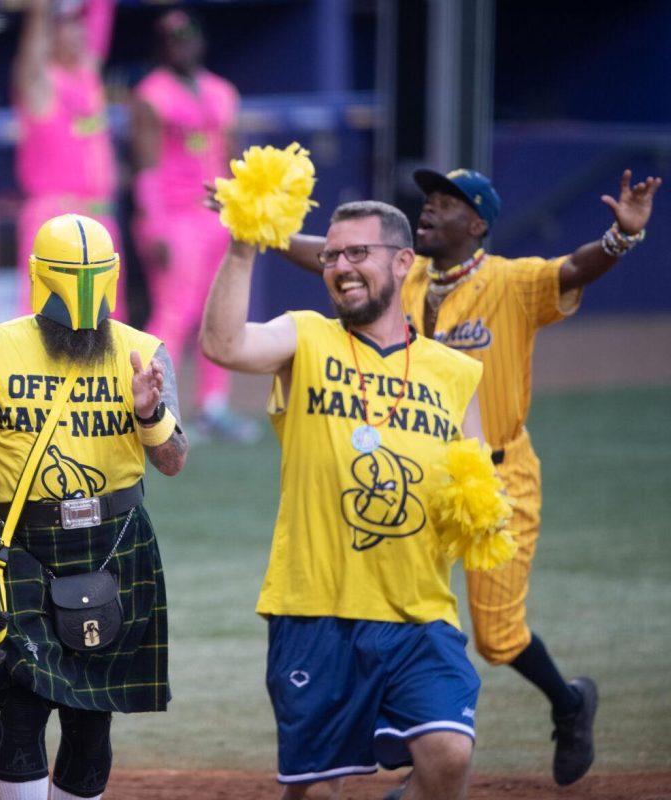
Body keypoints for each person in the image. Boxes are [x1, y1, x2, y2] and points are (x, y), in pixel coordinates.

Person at [273, 167, 661, 788]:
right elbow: (332, 256)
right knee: (401, 605)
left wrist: (621, 236)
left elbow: (573, 270)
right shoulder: (409, 274)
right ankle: (414, 737)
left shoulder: (512, 282)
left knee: (498, 637)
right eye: (427, 200)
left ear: (478, 224)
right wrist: (258, 228)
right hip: (414, 479)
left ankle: (569, 703)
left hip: (493, 479)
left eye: (448, 203)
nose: (429, 209)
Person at [201, 201, 486, 800]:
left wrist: (481, 507)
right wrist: (243, 248)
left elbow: (477, 480)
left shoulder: (455, 374)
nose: (340, 266)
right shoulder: (304, 337)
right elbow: (223, 346)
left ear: (404, 262)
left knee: (449, 754)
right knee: (317, 789)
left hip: (419, 613)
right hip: (316, 609)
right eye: (332, 255)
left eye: (358, 253)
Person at [0, 213, 187, 800]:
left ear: (111, 276)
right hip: (25, 547)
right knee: (24, 706)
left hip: (115, 544)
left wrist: (149, 413)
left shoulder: (145, 354)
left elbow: (172, 460)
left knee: (92, 716)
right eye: (70, 276)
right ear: (39, 276)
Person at [131, 10, 257, 443]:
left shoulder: (222, 91)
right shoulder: (151, 94)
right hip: (174, 217)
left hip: (217, 213)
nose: (181, 45)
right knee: (173, 311)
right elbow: (145, 166)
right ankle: (152, 404)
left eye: (188, 37)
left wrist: (245, 210)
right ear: (161, 46)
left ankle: (213, 407)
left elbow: (232, 156)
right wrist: (155, 225)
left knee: (219, 310)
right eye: (172, 39)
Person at [12, 0, 123, 318]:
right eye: (67, 27)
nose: (78, 34)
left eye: (80, 26)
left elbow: (101, 16)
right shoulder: (41, 84)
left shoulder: (88, 78)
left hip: (101, 216)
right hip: (54, 215)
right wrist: (40, 12)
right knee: (45, 313)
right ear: (51, 36)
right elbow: (32, 53)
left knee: (106, 317)